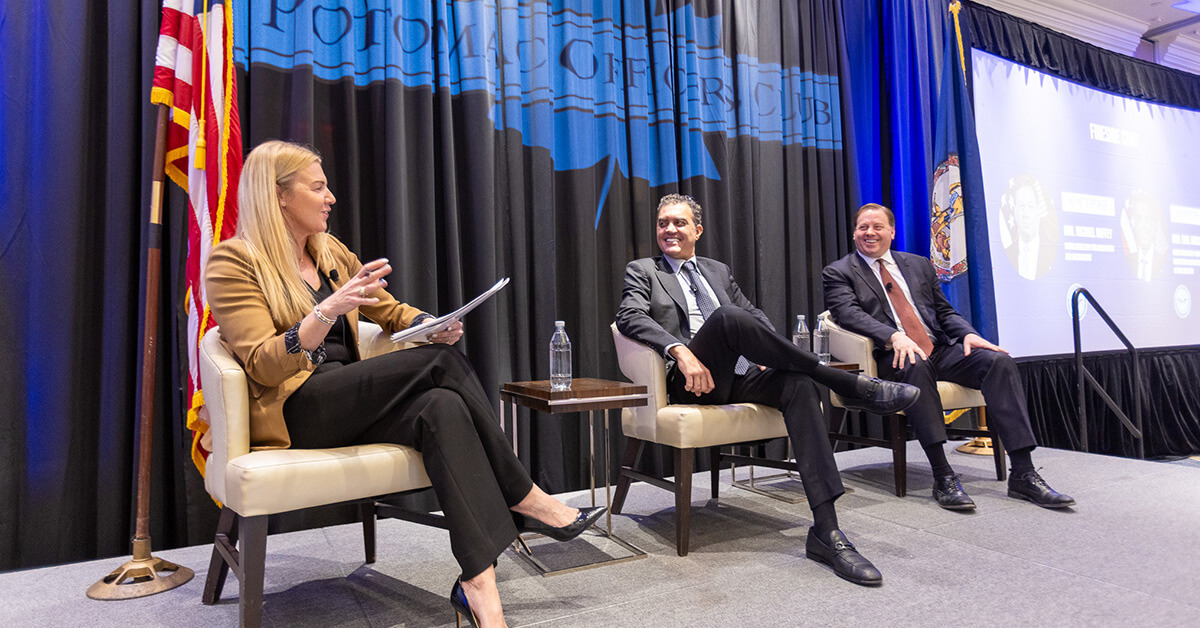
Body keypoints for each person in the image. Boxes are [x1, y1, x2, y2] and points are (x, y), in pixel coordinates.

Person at [205, 140, 603, 628]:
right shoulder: (232, 262)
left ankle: (479, 585)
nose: (331, 196)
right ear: (279, 195)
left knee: (441, 405)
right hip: (296, 410)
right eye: (318, 187)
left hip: (351, 393)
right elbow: (263, 366)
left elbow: (388, 310)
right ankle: (524, 494)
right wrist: (325, 311)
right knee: (439, 365)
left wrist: (430, 323)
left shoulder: (329, 251)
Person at [615, 194, 922, 587]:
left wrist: (768, 351)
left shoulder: (717, 270)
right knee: (727, 318)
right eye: (662, 223)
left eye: (678, 222)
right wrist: (680, 351)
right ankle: (845, 382)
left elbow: (754, 315)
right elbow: (629, 316)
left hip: (738, 374)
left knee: (797, 383)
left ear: (698, 230)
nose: (669, 230)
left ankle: (827, 533)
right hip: (690, 381)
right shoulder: (644, 270)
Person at [822, 203, 1075, 511]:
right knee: (914, 363)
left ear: (892, 231)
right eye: (863, 227)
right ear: (854, 232)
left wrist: (968, 333)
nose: (870, 233)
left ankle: (1023, 473)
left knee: (998, 362)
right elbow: (848, 314)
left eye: (877, 226)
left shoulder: (918, 265)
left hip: (938, 349)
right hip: (892, 357)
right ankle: (942, 475)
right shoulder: (840, 272)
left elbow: (943, 312)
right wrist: (893, 335)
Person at [1001, 175, 1056, 280]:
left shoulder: (1050, 253)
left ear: (1039, 211)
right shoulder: (1007, 254)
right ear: (1015, 212)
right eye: (1021, 206)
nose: (1026, 214)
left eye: (1030, 206)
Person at [1121, 192, 1167, 282]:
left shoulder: (1162, 262)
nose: (1143, 226)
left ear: (1155, 224)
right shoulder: (1128, 261)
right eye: (1139, 219)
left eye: (1147, 219)